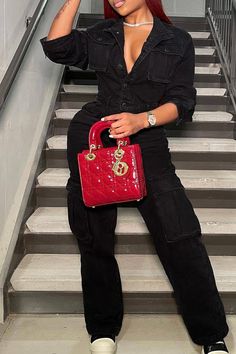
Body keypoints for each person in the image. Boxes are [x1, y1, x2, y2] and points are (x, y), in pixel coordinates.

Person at [40, 0, 230, 353]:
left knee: (180, 235)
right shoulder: (101, 34)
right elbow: (57, 46)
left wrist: (143, 119)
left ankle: (210, 335)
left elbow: (182, 100)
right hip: (94, 139)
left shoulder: (176, 40)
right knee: (93, 236)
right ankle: (103, 330)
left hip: (147, 144)